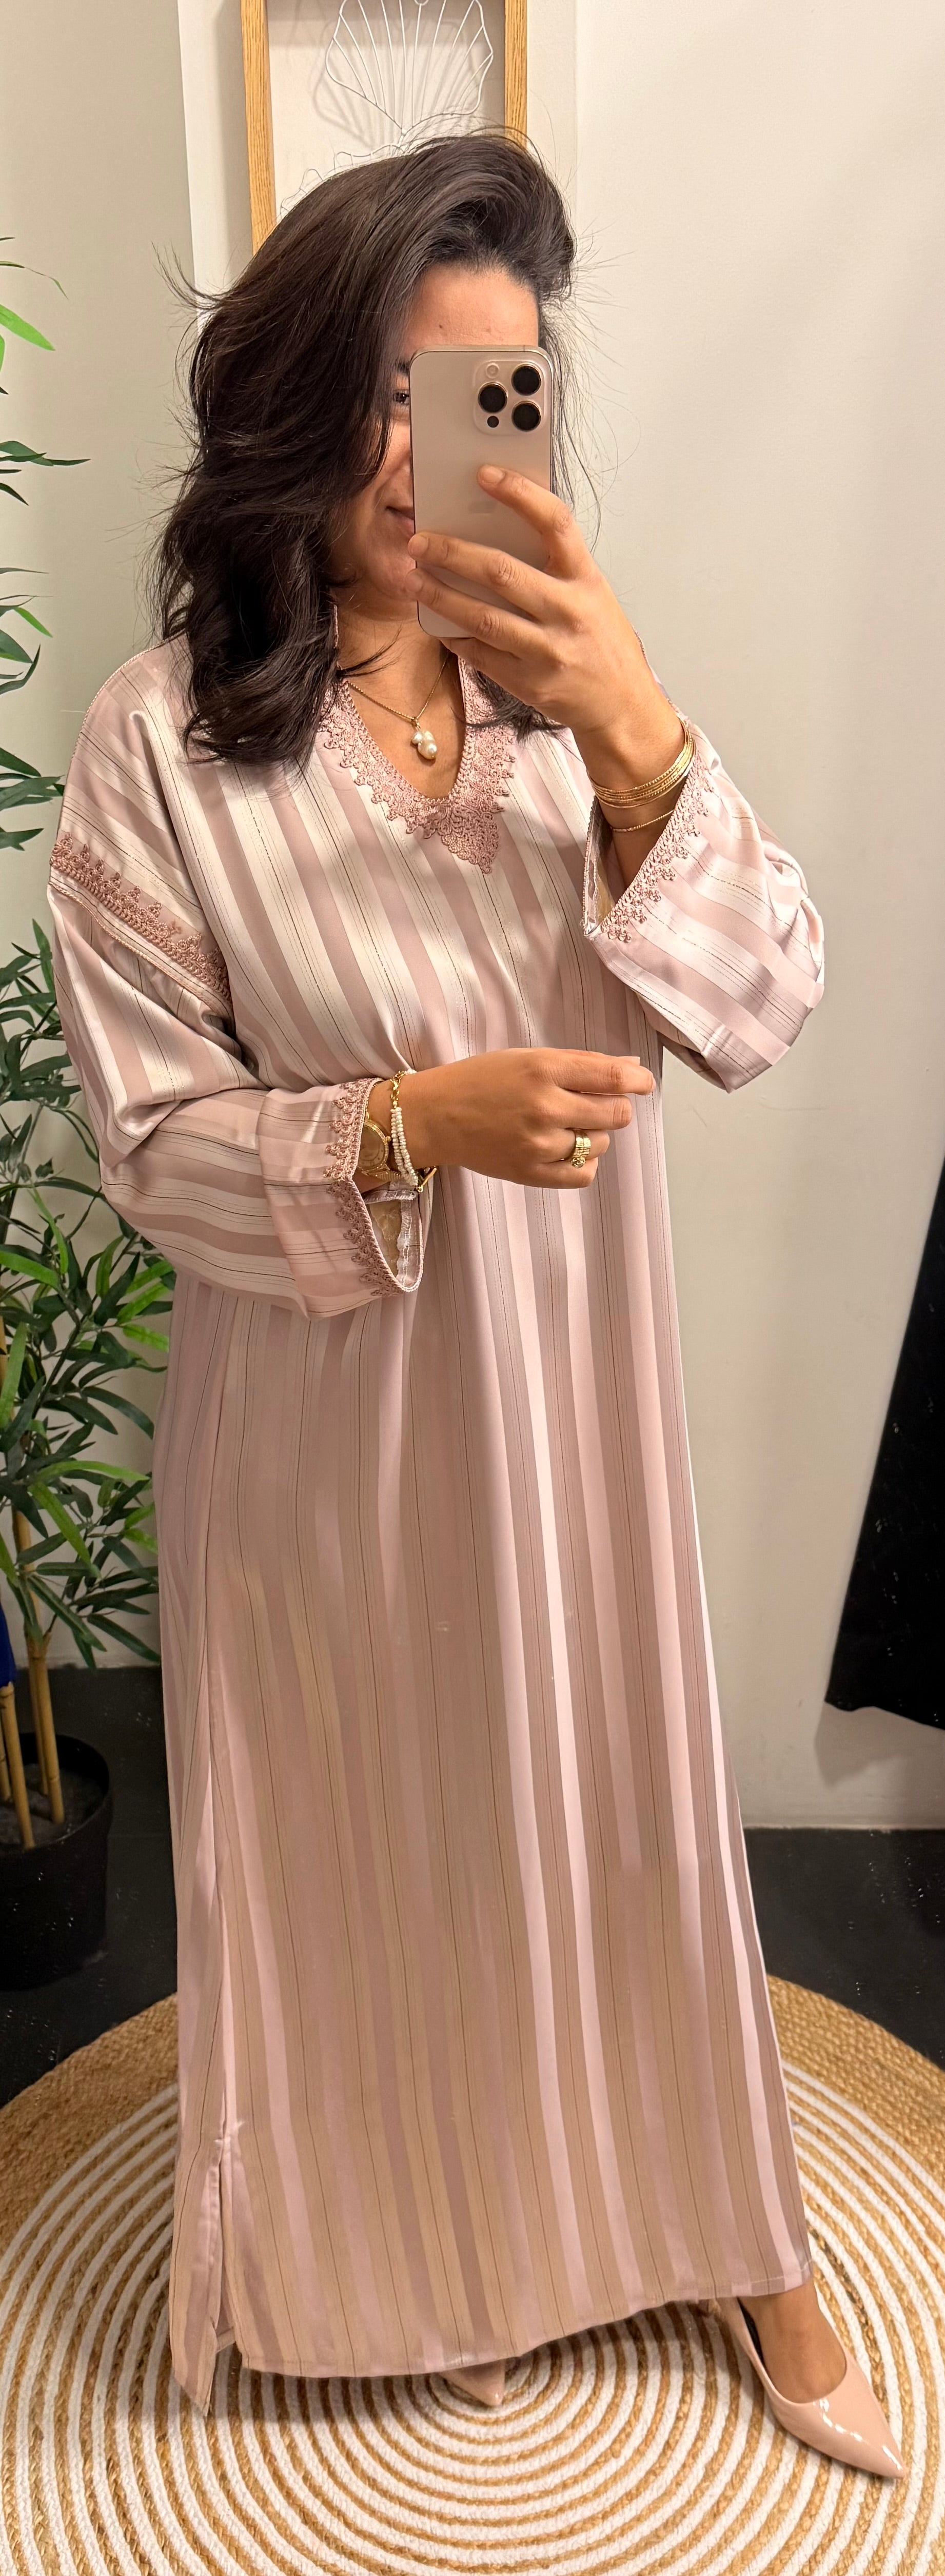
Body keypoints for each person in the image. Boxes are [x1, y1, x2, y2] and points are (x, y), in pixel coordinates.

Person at [47, 135, 903, 2477]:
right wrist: (407, 1124)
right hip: (321, 1424)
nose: (430, 452)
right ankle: (417, 2252)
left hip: (576, 1398)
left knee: (619, 1816)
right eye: (390, 391)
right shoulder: (160, 745)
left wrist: (634, 725)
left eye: (488, 395)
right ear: (292, 402)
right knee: (367, 1843)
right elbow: (152, 1146)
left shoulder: (567, 708)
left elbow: (763, 999)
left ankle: (734, 2235)